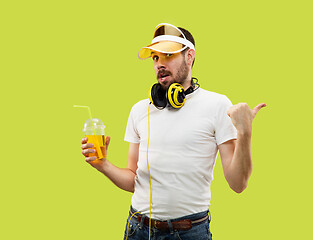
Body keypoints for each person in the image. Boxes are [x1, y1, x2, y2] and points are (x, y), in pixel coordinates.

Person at [80, 23, 266, 240]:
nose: (159, 64)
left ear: (190, 56)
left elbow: (238, 184)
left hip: (190, 233)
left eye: (168, 55)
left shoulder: (217, 105)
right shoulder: (140, 110)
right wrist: (103, 165)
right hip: (138, 230)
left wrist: (244, 134)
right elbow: (133, 180)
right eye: (156, 58)